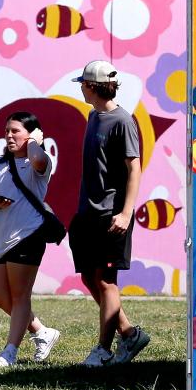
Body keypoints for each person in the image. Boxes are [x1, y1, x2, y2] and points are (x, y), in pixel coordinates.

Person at [70, 60, 150, 367]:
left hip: (111, 215)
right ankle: (129, 334)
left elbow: (134, 167)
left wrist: (126, 213)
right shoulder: (94, 116)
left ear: (92, 86)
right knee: (90, 277)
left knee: (106, 281)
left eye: (83, 84)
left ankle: (103, 349)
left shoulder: (122, 120)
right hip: (87, 213)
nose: (80, 88)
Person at [0, 112, 61, 366]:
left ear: (32, 134)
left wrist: (36, 142)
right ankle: (41, 331)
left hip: (29, 235)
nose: (9, 136)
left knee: (19, 296)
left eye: (16, 131)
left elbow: (38, 159)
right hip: (0, 239)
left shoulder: (39, 161)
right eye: (7, 131)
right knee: (0, 297)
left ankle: (9, 351)